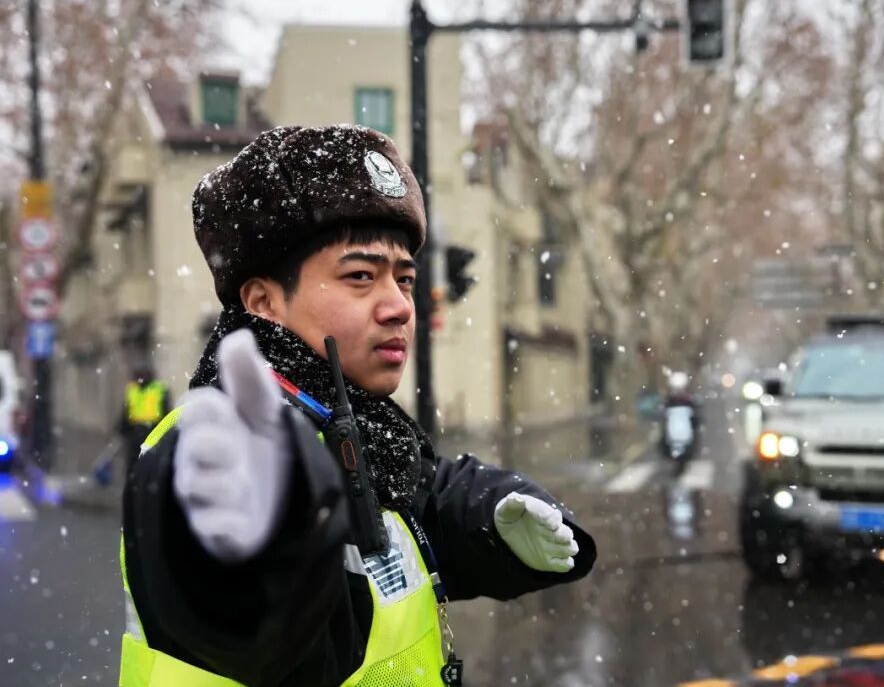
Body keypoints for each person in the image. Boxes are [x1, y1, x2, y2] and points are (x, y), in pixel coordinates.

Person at [120, 125, 596, 686]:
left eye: (405, 278)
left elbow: (425, 497)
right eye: (361, 277)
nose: (398, 306)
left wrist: (494, 518)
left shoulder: (364, 436)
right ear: (263, 302)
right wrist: (254, 539)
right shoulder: (206, 460)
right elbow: (245, 619)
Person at [117, 365, 170, 483]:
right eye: (138, 376)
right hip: (135, 431)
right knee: (133, 462)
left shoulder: (159, 389)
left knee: (151, 462)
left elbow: (166, 412)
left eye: (142, 375)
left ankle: (149, 484)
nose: (140, 378)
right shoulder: (132, 389)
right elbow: (127, 410)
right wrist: (123, 426)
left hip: (153, 431)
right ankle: (133, 484)